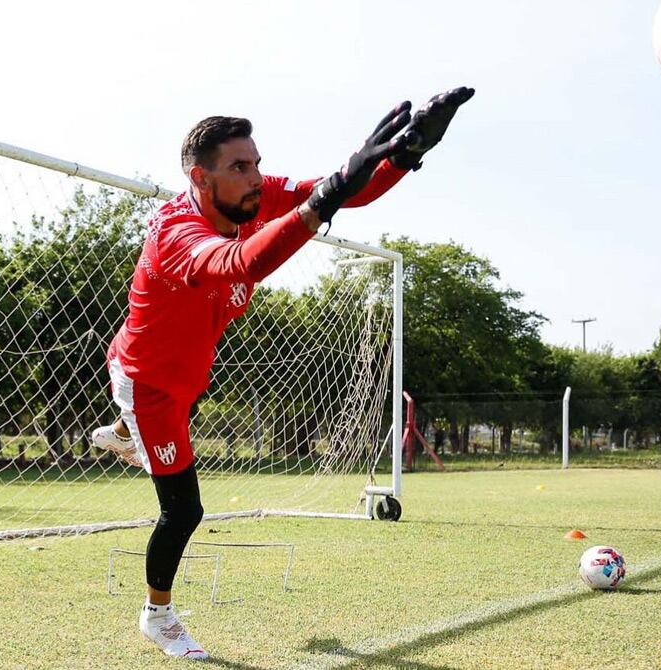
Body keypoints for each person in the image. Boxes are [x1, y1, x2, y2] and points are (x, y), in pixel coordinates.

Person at [91, 87, 474, 659]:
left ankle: (123, 436)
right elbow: (242, 262)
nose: (255, 177)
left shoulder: (247, 198)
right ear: (201, 178)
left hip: (187, 373)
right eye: (240, 167)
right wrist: (324, 198)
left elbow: (348, 191)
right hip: (149, 384)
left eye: (257, 164)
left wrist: (403, 156)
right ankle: (157, 614)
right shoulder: (177, 235)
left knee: (177, 411)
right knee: (184, 510)